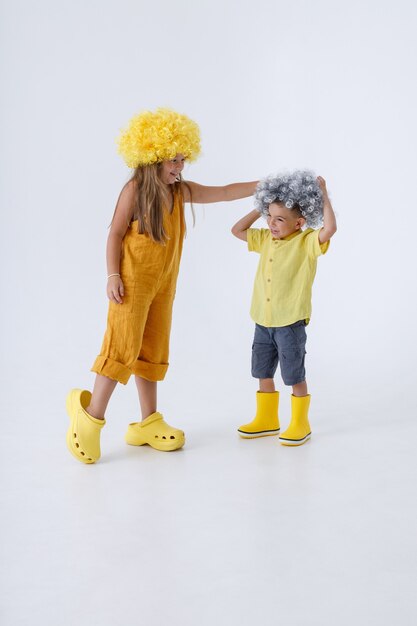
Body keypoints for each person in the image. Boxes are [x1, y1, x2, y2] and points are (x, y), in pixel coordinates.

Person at [66, 107, 258, 464]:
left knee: (152, 349)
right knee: (121, 347)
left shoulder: (179, 191)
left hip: (164, 283)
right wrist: (112, 275)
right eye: (173, 160)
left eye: (183, 159)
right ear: (152, 157)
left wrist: (262, 185)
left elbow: (226, 191)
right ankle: (90, 417)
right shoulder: (135, 189)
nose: (180, 167)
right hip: (132, 284)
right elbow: (115, 234)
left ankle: (146, 422)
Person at [231, 171, 337, 446]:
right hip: (263, 321)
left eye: (279, 219)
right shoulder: (266, 238)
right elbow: (237, 230)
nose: (272, 223)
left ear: (299, 222)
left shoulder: (307, 242)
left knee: (293, 375)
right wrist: (260, 207)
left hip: (290, 322)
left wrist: (324, 195)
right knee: (263, 373)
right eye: (270, 217)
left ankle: (300, 423)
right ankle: (267, 419)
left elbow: (330, 229)